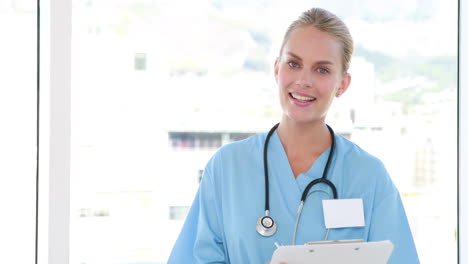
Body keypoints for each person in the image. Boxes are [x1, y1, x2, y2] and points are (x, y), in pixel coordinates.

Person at [168, 7, 419, 264]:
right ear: (277, 69)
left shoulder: (369, 177)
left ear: (342, 84)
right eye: (293, 64)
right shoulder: (227, 169)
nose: (303, 80)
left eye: (322, 70)